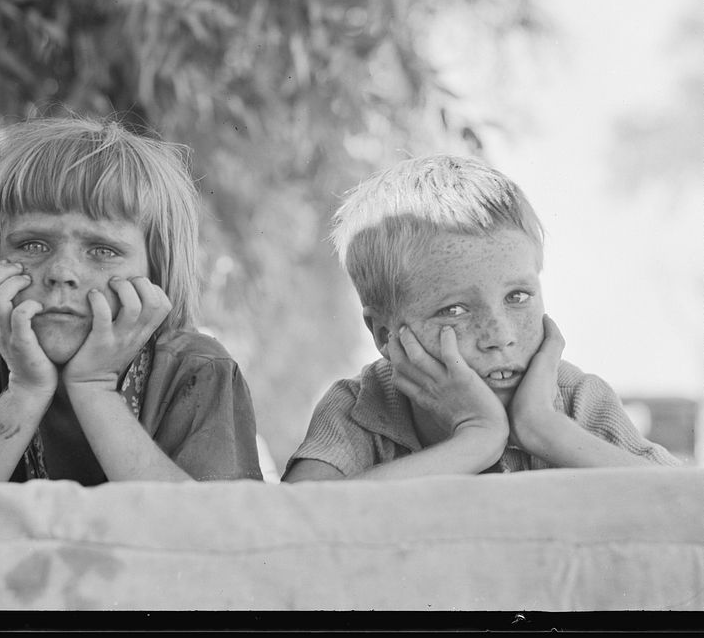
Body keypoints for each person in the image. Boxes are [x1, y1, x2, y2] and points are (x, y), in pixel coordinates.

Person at [283, 154, 680, 482]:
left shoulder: (577, 399)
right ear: (386, 334)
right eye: (454, 310)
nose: (499, 336)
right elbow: (295, 521)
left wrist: (545, 428)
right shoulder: (361, 407)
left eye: (518, 296)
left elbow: (693, 508)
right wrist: (477, 437)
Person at [0, 115, 263, 484]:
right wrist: (25, 389)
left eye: (102, 250)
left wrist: (93, 387)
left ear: (155, 275)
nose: (62, 272)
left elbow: (208, 534)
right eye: (32, 245)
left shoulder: (198, 369)